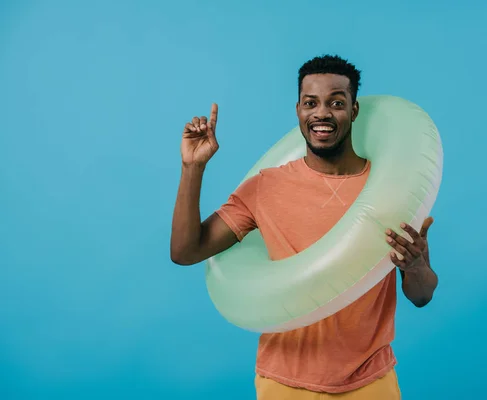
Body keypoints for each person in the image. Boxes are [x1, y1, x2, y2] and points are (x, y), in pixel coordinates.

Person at [170, 54, 439, 400]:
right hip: (284, 383)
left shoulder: (388, 189)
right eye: (311, 103)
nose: (322, 113)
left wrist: (417, 266)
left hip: (370, 382)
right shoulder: (264, 187)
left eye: (336, 103)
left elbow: (421, 296)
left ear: (354, 110)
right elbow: (184, 251)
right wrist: (192, 168)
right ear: (297, 110)